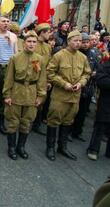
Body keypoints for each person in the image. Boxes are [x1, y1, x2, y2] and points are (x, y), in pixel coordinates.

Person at [45, 30, 91, 161]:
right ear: (69, 41)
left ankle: (62, 147)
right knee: (53, 120)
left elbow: (86, 74)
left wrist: (81, 83)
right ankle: (50, 147)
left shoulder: (83, 58)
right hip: (60, 95)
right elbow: (50, 73)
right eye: (75, 41)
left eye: (80, 41)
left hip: (75, 97)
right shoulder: (59, 55)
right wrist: (63, 84)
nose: (78, 43)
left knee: (68, 121)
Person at [3, 31, 47, 160]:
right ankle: (11, 147)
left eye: (34, 42)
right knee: (13, 122)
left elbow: (42, 80)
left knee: (26, 122)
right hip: (17, 92)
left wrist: (40, 97)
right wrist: (7, 95)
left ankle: (21, 147)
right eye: (29, 41)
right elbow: (9, 78)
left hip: (31, 94)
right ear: (24, 43)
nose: (32, 44)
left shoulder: (40, 59)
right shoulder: (15, 58)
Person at [70, 33, 98, 142]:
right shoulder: (76, 54)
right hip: (77, 87)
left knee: (82, 112)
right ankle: (68, 131)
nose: (85, 44)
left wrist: (96, 72)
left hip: (89, 87)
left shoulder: (93, 54)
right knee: (73, 112)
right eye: (83, 42)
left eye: (87, 42)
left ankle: (77, 132)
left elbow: (97, 67)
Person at [86, 59, 110, 161]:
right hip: (106, 101)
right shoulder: (106, 65)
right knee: (100, 126)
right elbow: (101, 81)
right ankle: (93, 150)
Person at [32, 23, 52, 135]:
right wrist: (39, 71)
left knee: (41, 101)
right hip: (33, 76)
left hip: (44, 78)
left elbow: (50, 62)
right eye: (48, 32)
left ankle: (36, 124)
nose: (49, 34)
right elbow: (32, 60)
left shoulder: (48, 46)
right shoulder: (33, 44)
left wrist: (48, 79)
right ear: (42, 32)